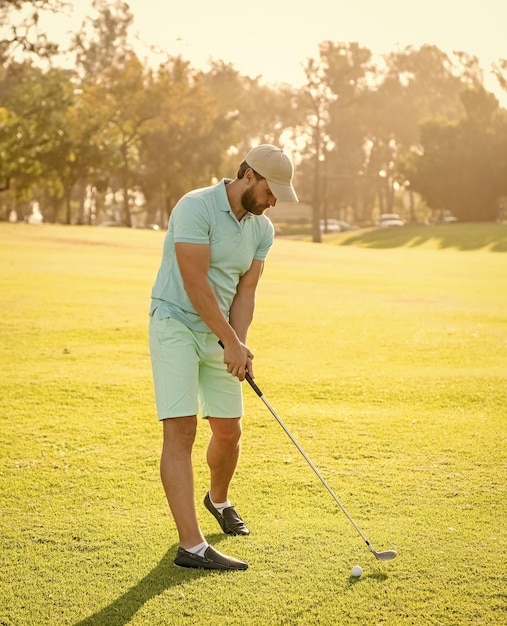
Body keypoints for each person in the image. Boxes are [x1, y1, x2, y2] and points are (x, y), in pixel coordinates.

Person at [149, 144, 298, 571]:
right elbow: (195, 283)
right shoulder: (195, 206)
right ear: (249, 175)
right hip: (175, 323)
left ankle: (218, 499)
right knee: (181, 432)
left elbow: (245, 290)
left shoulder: (261, 229)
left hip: (222, 334)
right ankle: (191, 547)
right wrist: (229, 340)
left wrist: (240, 345)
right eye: (272, 191)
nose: (273, 202)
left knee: (229, 432)